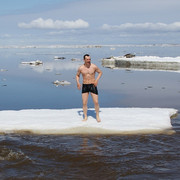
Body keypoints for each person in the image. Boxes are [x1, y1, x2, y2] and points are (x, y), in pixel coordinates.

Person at [76, 54, 102, 122]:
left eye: (89, 59)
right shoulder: (81, 68)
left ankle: (97, 116)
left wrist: (96, 80)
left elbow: (100, 72)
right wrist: (78, 82)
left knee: (96, 102)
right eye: (87, 59)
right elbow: (77, 75)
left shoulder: (93, 66)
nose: (89, 60)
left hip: (93, 85)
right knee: (84, 103)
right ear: (84, 60)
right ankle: (85, 116)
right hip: (85, 85)